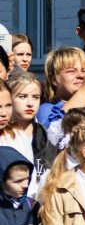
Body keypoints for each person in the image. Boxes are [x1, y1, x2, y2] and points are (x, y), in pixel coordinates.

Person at [0, 70, 54, 198]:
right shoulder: (11, 135)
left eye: (36, 97)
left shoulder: (42, 135)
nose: (30, 103)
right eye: (22, 96)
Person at [37, 46, 85, 131]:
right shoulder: (45, 109)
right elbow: (55, 132)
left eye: (84, 71)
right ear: (54, 80)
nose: (80, 75)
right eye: (71, 71)